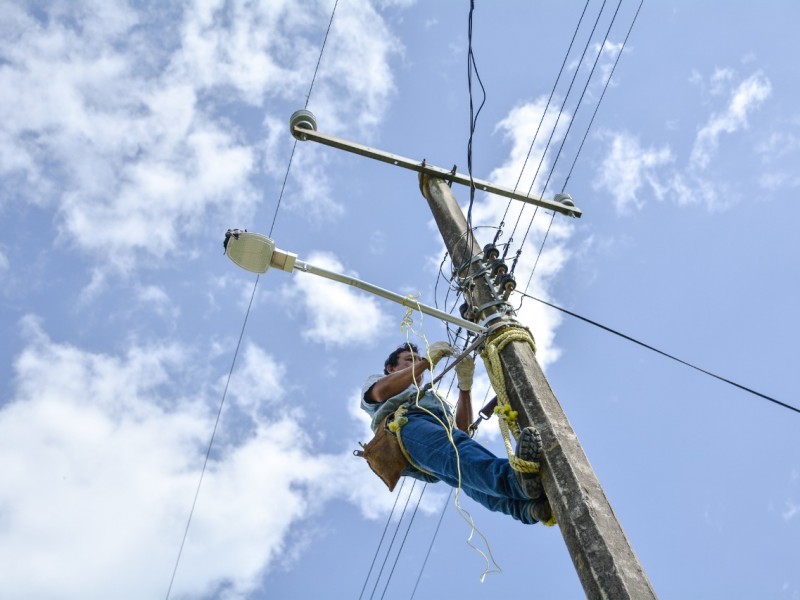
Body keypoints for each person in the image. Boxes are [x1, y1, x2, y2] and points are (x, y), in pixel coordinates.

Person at [360, 341, 553, 525]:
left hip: (425, 437)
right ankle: (514, 480)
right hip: (406, 424)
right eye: (410, 359)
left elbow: (462, 430)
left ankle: (525, 509)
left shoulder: (430, 398)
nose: (417, 363)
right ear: (391, 368)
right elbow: (381, 392)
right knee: (458, 451)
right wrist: (427, 362)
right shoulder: (377, 381)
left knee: (466, 478)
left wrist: (465, 387)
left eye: (419, 360)